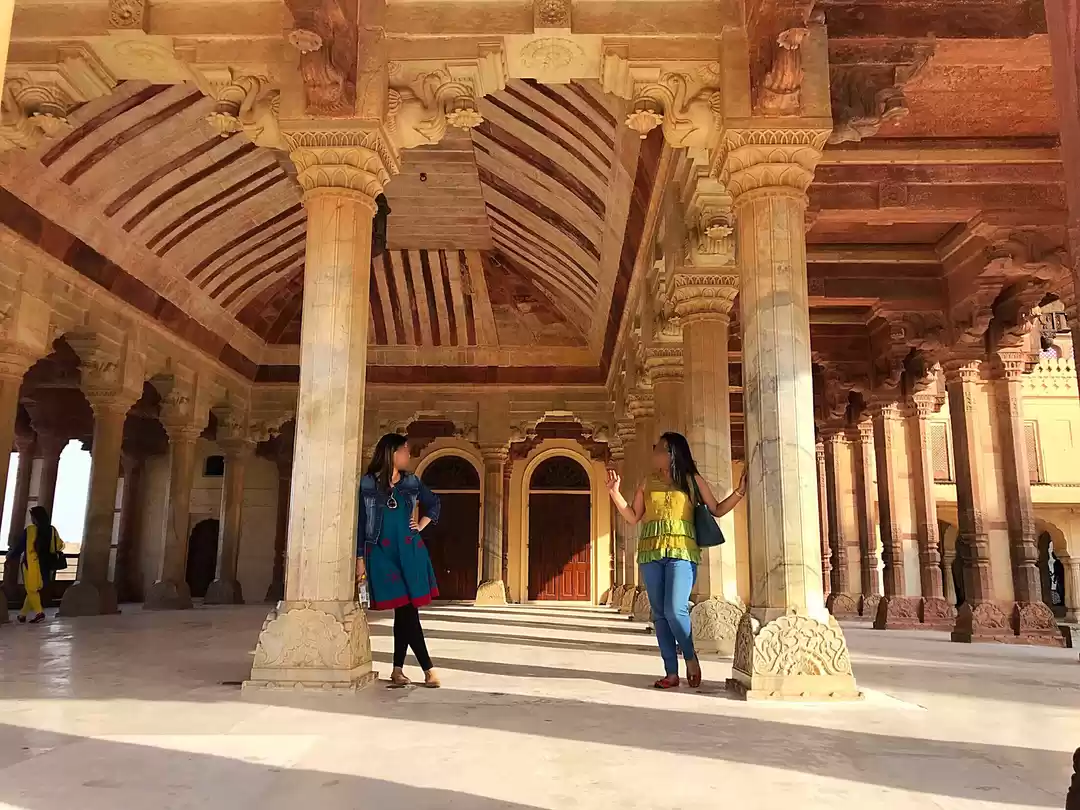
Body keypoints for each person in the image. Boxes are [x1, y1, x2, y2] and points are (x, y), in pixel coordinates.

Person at [606, 432, 745, 689]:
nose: (654, 453)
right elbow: (633, 516)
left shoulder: (693, 481)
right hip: (651, 552)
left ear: (672, 454)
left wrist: (739, 491)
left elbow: (717, 509)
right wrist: (615, 494)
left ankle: (690, 657)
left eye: (659, 448)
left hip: (683, 551)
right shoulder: (647, 482)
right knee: (659, 614)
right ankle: (671, 671)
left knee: (674, 608)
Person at [356, 433, 443, 688]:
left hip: (410, 551)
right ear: (391, 453)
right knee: (405, 609)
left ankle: (401, 670)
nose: (408, 455)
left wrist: (421, 525)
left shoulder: (411, 482)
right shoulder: (368, 484)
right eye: (404, 450)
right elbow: (361, 523)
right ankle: (426, 669)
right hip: (381, 553)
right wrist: (359, 557)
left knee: (406, 610)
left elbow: (434, 504)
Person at [8, 506, 64, 624]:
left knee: (31, 589)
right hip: (45, 564)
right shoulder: (52, 529)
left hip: (31, 564)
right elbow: (59, 545)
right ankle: (22, 615)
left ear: (35, 518)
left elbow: (19, 547)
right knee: (33, 590)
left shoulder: (29, 530)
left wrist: (10, 556)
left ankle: (39, 613)